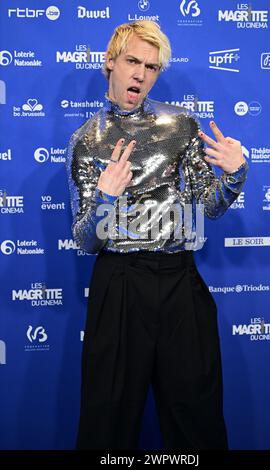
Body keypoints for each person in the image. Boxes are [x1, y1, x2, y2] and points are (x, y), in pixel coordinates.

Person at [66, 20, 248, 450]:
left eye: (151, 66)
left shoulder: (181, 125)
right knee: (107, 419)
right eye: (132, 61)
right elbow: (83, 239)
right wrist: (106, 203)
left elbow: (208, 209)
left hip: (179, 282)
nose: (141, 74)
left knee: (197, 417)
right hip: (120, 284)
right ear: (110, 63)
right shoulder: (85, 141)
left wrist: (236, 173)